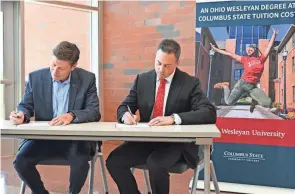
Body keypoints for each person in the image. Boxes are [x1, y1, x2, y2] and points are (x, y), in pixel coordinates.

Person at [106, 39, 216, 194]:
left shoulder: (190, 83)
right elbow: (124, 107)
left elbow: (209, 112)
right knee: (114, 161)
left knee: (155, 164)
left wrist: (174, 118)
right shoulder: (142, 80)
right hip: (145, 141)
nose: (160, 69)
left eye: (166, 65)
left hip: (175, 144)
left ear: (177, 62)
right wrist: (125, 116)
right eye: (158, 63)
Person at [10, 41, 101, 194]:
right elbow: (26, 105)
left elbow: (94, 111)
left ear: (73, 66)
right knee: (21, 161)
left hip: (75, 139)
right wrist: (22, 115)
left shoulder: (87, 79)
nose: (54, 71)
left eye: (61, 68)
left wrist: (72, 115)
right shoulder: (35, 78)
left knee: (80, 162)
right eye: (53, 65)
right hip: (43, 138)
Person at [211, 28, 279, 113]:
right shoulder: (245, 59)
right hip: (242, 84)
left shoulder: (261, 59)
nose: (248, 50)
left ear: (255, 50)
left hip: (252, 87)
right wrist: (216, 49)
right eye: (247, 50)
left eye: (250, 49)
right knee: (228, 102)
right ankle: (225, 86)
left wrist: (274, 35)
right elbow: (229, 54)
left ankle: (254, 99)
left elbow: (269, 46)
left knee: (268, 103)